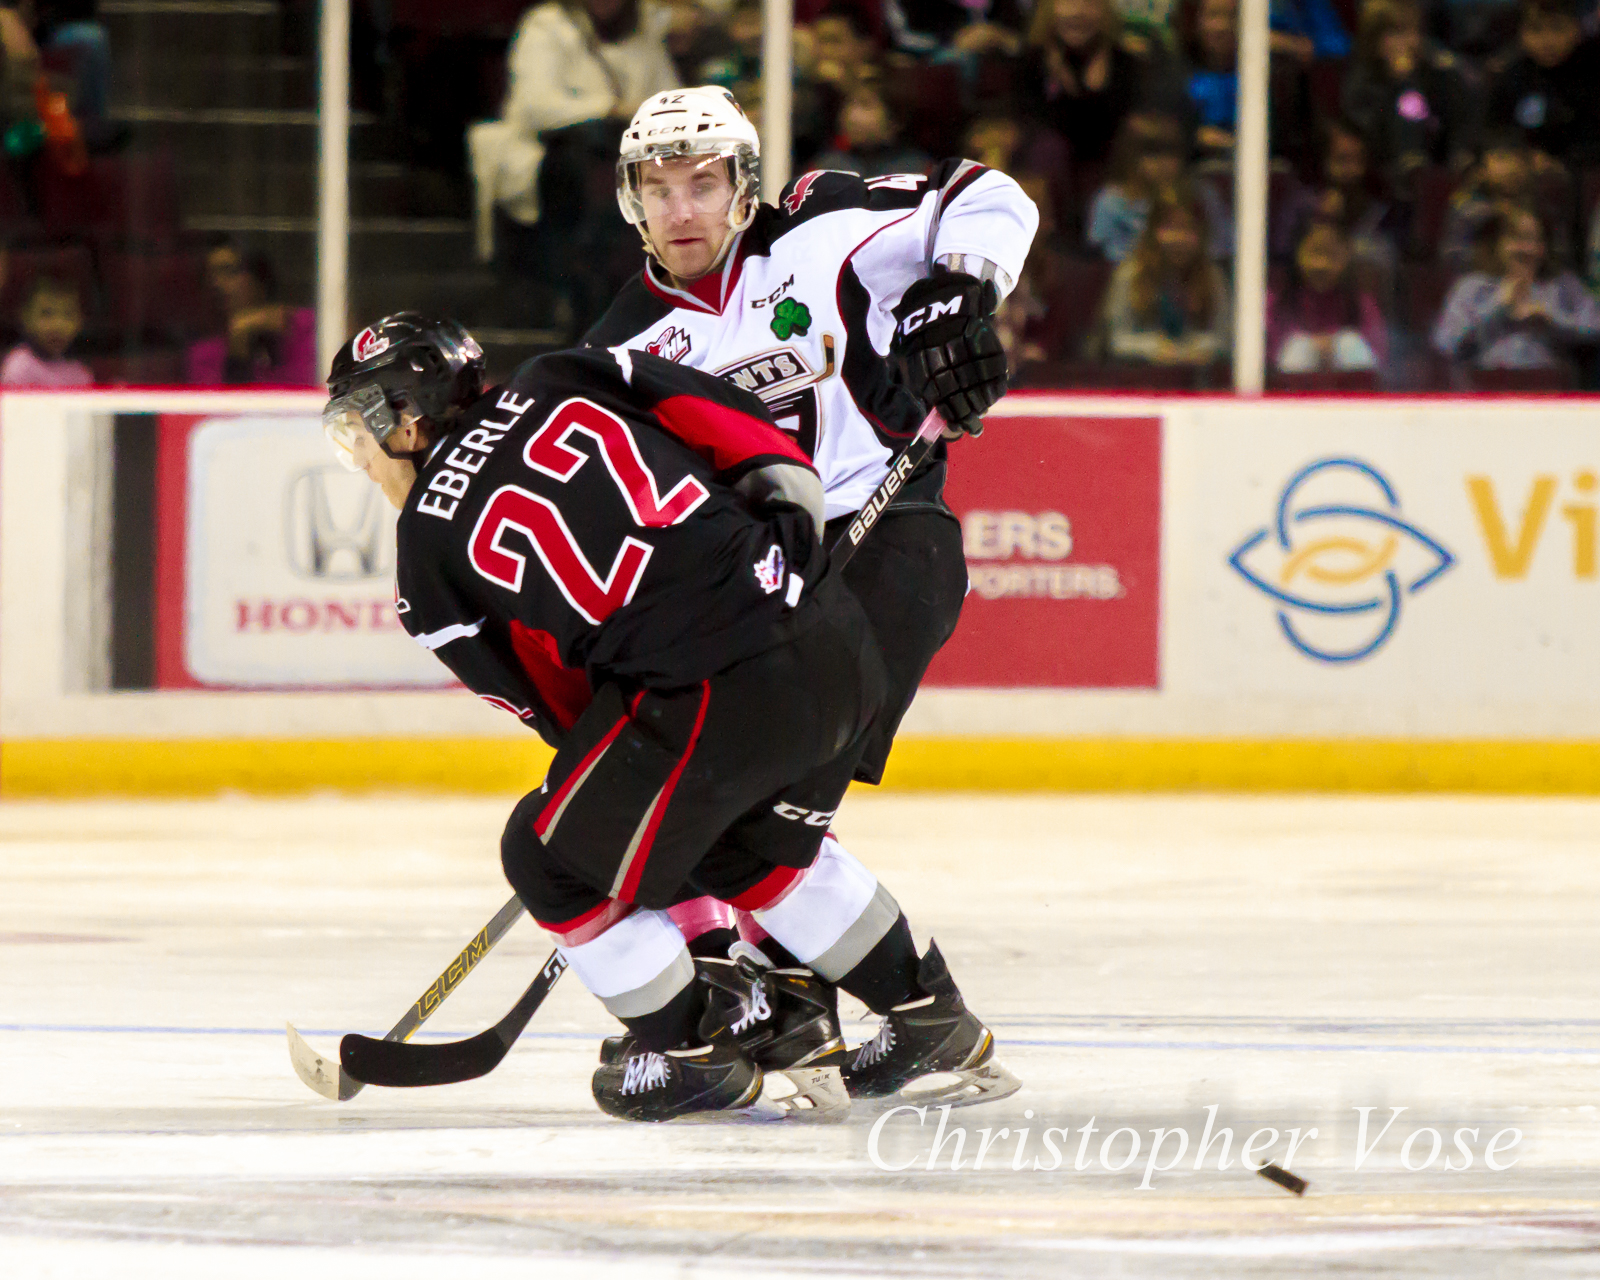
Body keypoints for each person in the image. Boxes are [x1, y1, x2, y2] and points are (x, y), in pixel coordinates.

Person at [322, 313, 1020, 1121]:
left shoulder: (425, 557)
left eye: (360, 430)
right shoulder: (566, 373)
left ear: (407, 421)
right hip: (834, 636)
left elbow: (563, 707)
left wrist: (593, 782)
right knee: (742, 848)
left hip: (716, 697)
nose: (362, 458)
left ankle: (695, 1049)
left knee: (546, 855)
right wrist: (789, 516)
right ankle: (929, 1018)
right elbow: (734, 421)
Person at [582, 85, 1037, 1099]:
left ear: (744, 187)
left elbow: (991, 195)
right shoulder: (620, 355)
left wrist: (955, 294)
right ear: (629, 200)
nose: (683, 208)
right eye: (658, 187)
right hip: (761, 590)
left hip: (885, 541)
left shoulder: (825, 225)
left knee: (756, 809)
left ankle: (821, 1008)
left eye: (703, 182)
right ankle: (776, 1005)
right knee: (714, 795)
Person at [467, 0, 680, 335]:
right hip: (559, 158)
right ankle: (584, 314)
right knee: (590, 175)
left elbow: (675, 105)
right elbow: (536, 107)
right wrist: (610, 108)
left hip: (629, 162)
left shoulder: (642, 33)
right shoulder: (547, 25)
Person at [1433, 200, 1600, 370]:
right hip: (1486, 387)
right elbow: (1445, 343)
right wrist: (1497, 308)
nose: (1527, 248)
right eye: (1517, 239)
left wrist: (1551, 322)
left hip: (1550, 388)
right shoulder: (1472, 287)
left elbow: (1595, 327)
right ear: (1500, 244)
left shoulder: (1564, 285)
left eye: (1535, 240)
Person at [1340, 0, 1473, 195]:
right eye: (1398, 33)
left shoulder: (1431, 70)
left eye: (1414, 32)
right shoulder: (1361, 80)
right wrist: (1401, 84)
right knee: (1409, 100)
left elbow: (1452, 117)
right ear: (1374, 39)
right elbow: (1373, 132)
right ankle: (1416, 173)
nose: (1411, 42)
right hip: (1384, 168)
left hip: (1436, 159)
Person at [1101, 186, 1231, 367]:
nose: (1179, 238)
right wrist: (1151, 347)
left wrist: (1202, 346)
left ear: (1202, 233)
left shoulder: (1212, 277)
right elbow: (1115, 340)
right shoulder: (1131, 274)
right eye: (1170, 228)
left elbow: (1227, 338)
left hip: (1198, 380)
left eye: (1189, 229)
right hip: (1140, 379)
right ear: (1152, 231)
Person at [1087, 110, 1230, 261]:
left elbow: (1223, 245)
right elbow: (1102, 255)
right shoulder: (1111, 202)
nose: (1163, 163)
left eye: (1171, 153)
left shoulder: (1201, 194)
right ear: (1130, 156)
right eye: (1152, 154)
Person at [1485, 0, 1600, 173]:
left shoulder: (1592, 73)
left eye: (1557, 29)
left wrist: (1565, 162)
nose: (1547, 41)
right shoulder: (1513, 77)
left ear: (1577, 29)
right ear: (1521, 32)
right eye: (1536, 29)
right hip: (1525, 176)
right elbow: (1496, 131)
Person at [186, 240, 316, 386]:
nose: (216, 283)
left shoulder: (305, 326)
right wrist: (237, 353)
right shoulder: (205, 353)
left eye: (229, 272)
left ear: (260, 279)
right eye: (209, 276)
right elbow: (221, 405)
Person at [1268, 220, 1389, 374]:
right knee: (1298, 349)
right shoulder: (1279, 300)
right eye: (1314, 253)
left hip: (1348, 392)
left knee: (1349, 343)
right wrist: (1312, 346)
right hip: (1295, 392)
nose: (1322, 264)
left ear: (1346, 257)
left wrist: (1334, 344)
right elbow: (1268, 353)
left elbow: (1378, 353)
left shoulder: (1361, 302)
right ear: (1298, 253)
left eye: (1331, 255)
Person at [808, 84, 933, 179]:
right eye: (848, 104)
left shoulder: (918, 171)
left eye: (865, 105)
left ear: (895, 120)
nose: (851, 116)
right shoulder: (825, 168)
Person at [0, 272, 90, 386]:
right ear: (26, 318)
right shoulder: (19, 367)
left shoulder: (80, 373)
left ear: (80, 321)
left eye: (68, 314)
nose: (58, 325)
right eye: (46, 314)